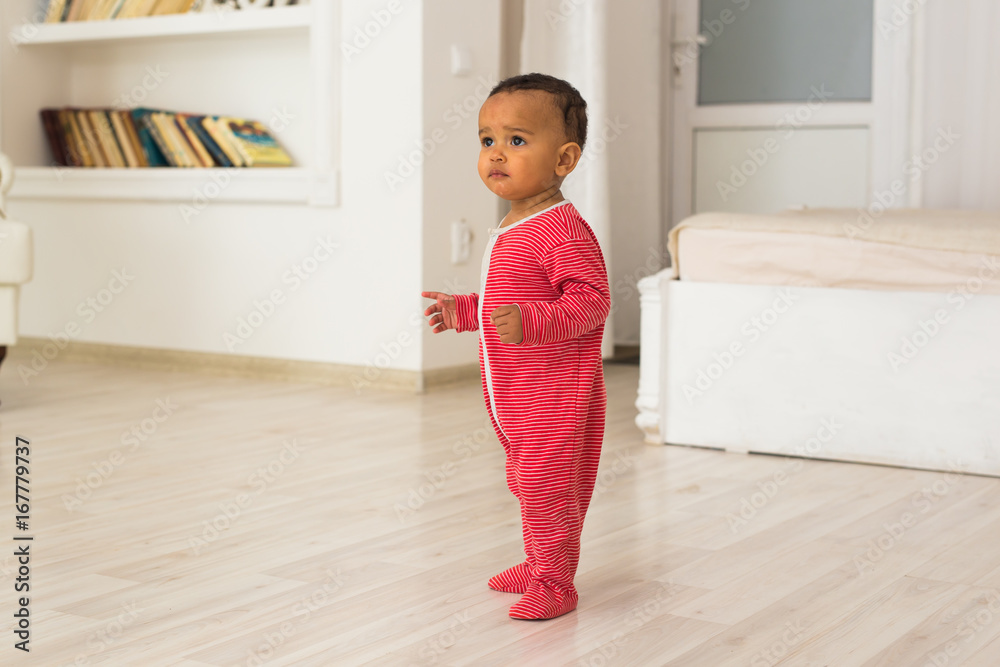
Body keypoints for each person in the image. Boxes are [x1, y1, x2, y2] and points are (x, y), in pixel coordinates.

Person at [421, 73, 610, 621]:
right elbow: (510, 300)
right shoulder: (516, 223)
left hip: (556, 396)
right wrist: (466, 311)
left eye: (517, 141)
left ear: (564, 159)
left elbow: (591, 303)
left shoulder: (564, 230)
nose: (496, 154)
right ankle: (537, 562)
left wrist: (530, 321)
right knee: (527, 484)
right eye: (486, 141)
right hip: (516, 397)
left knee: (550, 489)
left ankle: (555, 581)